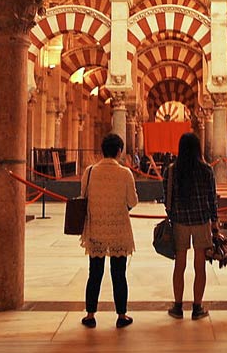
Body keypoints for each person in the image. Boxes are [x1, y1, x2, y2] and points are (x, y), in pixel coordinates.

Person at [80, 133, 139, 329]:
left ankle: (90, 315)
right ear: (119, 151)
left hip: (96, 228)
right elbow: (133, 201)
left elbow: (84, 197)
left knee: (94, 273)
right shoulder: (125, 173)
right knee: (119, 273)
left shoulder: (89, 172)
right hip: (118, 230)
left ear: (102, 151)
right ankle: (122, 315)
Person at [164, 132, 218, 320]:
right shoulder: (206, 170)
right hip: (201, 220)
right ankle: (197, 307)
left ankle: (178, 307)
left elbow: (166, 198)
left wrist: (172, 214)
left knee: (179, 264)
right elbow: (212, 198)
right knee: (199, 265)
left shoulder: (171, 170)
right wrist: (215, 220)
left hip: (179, 221)